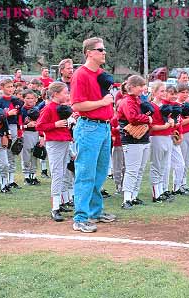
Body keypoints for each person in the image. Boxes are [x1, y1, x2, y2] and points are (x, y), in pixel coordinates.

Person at [70, 37, 116, 233]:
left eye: (104, 49)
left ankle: (95, 212)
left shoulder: (101, 74)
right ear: (89, 52)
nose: (104, 52)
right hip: (89, 127)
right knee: (85, 172)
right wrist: (103, 103)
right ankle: (80, 218)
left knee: (100, 172)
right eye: (100, 49)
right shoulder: (81, 74)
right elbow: (77, 105)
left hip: (104, 127)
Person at [36, 82, 74, 221]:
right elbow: (39, 125)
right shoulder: (49, 108)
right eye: (64, 92)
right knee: (57, 173)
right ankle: (55, 208)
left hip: (64, 142)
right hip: (55, 143)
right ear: (55, 94)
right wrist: (54, 125)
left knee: (64, 172)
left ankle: (61, 202)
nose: (67, 95)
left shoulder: (61, 107)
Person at [117, 75, 151, 209]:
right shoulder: (127, 101)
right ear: (132, 87)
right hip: (131, 139)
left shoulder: (137, 100)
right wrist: (147, 119)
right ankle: (126, 199)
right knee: (132, 170)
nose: (143, 88)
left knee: (140, 169)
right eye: (140, 86)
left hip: (143, 138)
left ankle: (134, 196)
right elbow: (133, 118)